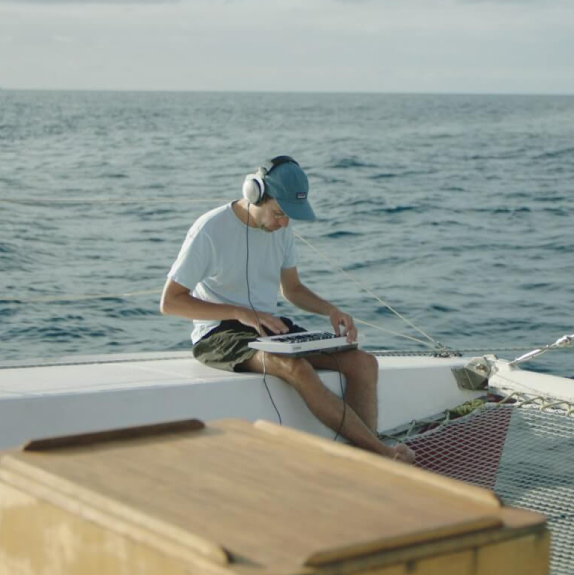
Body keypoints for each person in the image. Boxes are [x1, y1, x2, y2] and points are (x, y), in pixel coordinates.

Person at [159, 156, 415, 464]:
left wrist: (329, 310)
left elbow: (291, 289)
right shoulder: (210, 230)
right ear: (255, 194)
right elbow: (170, 301)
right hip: (218, 333)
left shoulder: (280, 230)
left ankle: (363, 456)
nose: (284, 223)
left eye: (289, 216)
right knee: (296, 368)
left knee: (363, 363)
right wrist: (240, 313)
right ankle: (380, 455)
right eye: (279, 213)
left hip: (269, 327)